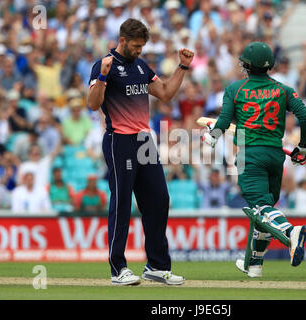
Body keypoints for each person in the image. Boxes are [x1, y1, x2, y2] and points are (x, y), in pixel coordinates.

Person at [87, 18, 194, 286]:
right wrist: (101, 76)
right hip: (119, 140)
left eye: (142, 46)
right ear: (122, 40)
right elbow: (92, 104)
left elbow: (167, 93)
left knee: (159, 200)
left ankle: (157, 266)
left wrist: (182, 66)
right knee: (122, 204)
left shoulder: (141, 65)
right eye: (135, 46)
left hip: (145, 141)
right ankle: (118, 268)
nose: (139, 51)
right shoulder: (104, 65)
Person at [202, 42, 306, 277]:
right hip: (275, 156)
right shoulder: (283, 89)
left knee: (261, 207)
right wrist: (303, 146)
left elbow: (223, 122)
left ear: (247, 65)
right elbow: (304, 115)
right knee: (264, 208)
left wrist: (211, 137)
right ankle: (254, 264)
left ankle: (291, 231)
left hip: (250, 155)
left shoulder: (235, 89)